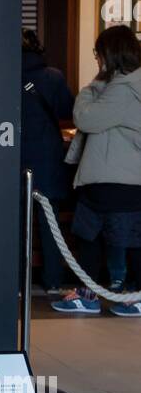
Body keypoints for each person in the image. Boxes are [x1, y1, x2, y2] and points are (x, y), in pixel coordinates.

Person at [52, 24, 141, 316]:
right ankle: (121, 294)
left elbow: (85, 119)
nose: (97, 59)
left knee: (105, 239)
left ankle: (118, 296)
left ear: (110, 53)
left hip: (116, 178)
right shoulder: (123, 85)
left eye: (98, 53)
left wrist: (91, 89)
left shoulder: (125, 88)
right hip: (116, 178)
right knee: (114, 239)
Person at [20, 29, 75, 294]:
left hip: (14, 157)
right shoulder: (53, 77)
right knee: (49, 222)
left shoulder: (1, 73)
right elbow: (66, 110)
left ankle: (18, 282)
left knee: (17, 223)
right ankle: (53, 280)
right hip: (47, 157)